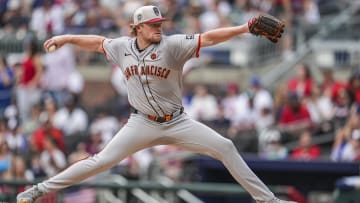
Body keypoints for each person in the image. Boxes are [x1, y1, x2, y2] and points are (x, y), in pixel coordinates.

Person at [17, 5, 295, 203]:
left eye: (160, 24)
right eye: (153, 25)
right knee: (99, 161)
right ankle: (37, 190)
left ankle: (267, 201)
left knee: (225, 146)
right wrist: (66, 38)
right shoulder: (122, 47)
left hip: (177, 121)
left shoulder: (172, 45)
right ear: (138, 28)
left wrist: (245, 27)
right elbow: (98, 42)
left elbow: (208, 37)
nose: (158, 28)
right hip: (141, 123)